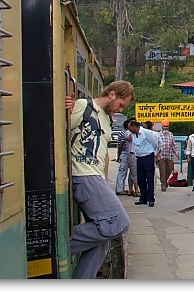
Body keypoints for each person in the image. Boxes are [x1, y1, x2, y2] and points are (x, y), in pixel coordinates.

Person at [64, 80, 135, 279]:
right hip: (83, 175)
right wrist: (65, 111)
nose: (120, 110)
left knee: (102, 243)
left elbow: (103, 154)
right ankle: (60, 245)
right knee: (118, 223)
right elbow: (61, 131)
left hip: (96, 177)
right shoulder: (83, 106)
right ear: (112, 94)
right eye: (121, 105)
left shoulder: (106, 119)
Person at [130, 118, 160, 207]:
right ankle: (143, 197)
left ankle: (151, 199)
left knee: (150, 178)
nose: (130, 130)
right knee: (141, 178)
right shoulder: (134, 134)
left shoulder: (146, 132)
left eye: (131, 128)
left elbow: (154, 143)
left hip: (148, 156)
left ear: (135, 126)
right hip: (139, 157)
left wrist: (154, 153)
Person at [156, 119, 177, 192]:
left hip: (169, 155)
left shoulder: (171, 134)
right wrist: (156, 154)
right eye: (164, 126)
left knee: (170, 169)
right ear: (162, 126)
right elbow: (156, 145)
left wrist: (176, 153)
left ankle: (164, 181)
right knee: (162, 170)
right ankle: (163, 185)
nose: (165, 128)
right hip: (161, 155)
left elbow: (173, 144)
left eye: (167, 126)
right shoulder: (158, 134)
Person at [115, 120, 131, 195]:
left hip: (126, 153)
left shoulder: (123, 132)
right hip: (125, 153)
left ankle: (122, 188)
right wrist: (119, 155)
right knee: (122, 171)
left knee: (124, 172)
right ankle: (119, 189)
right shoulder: (124, 133)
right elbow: (120, 145)